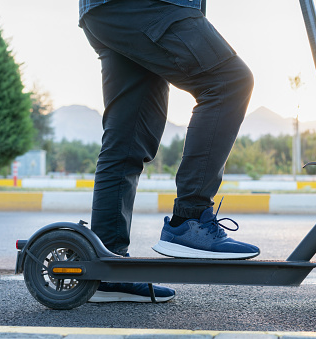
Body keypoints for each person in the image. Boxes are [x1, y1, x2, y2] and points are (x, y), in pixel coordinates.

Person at [78, 0, 260, 303]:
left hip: (104, 11)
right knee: (229, 81)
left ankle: (107, 269)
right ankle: (189, 221)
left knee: (127, 139)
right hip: (153, 5)